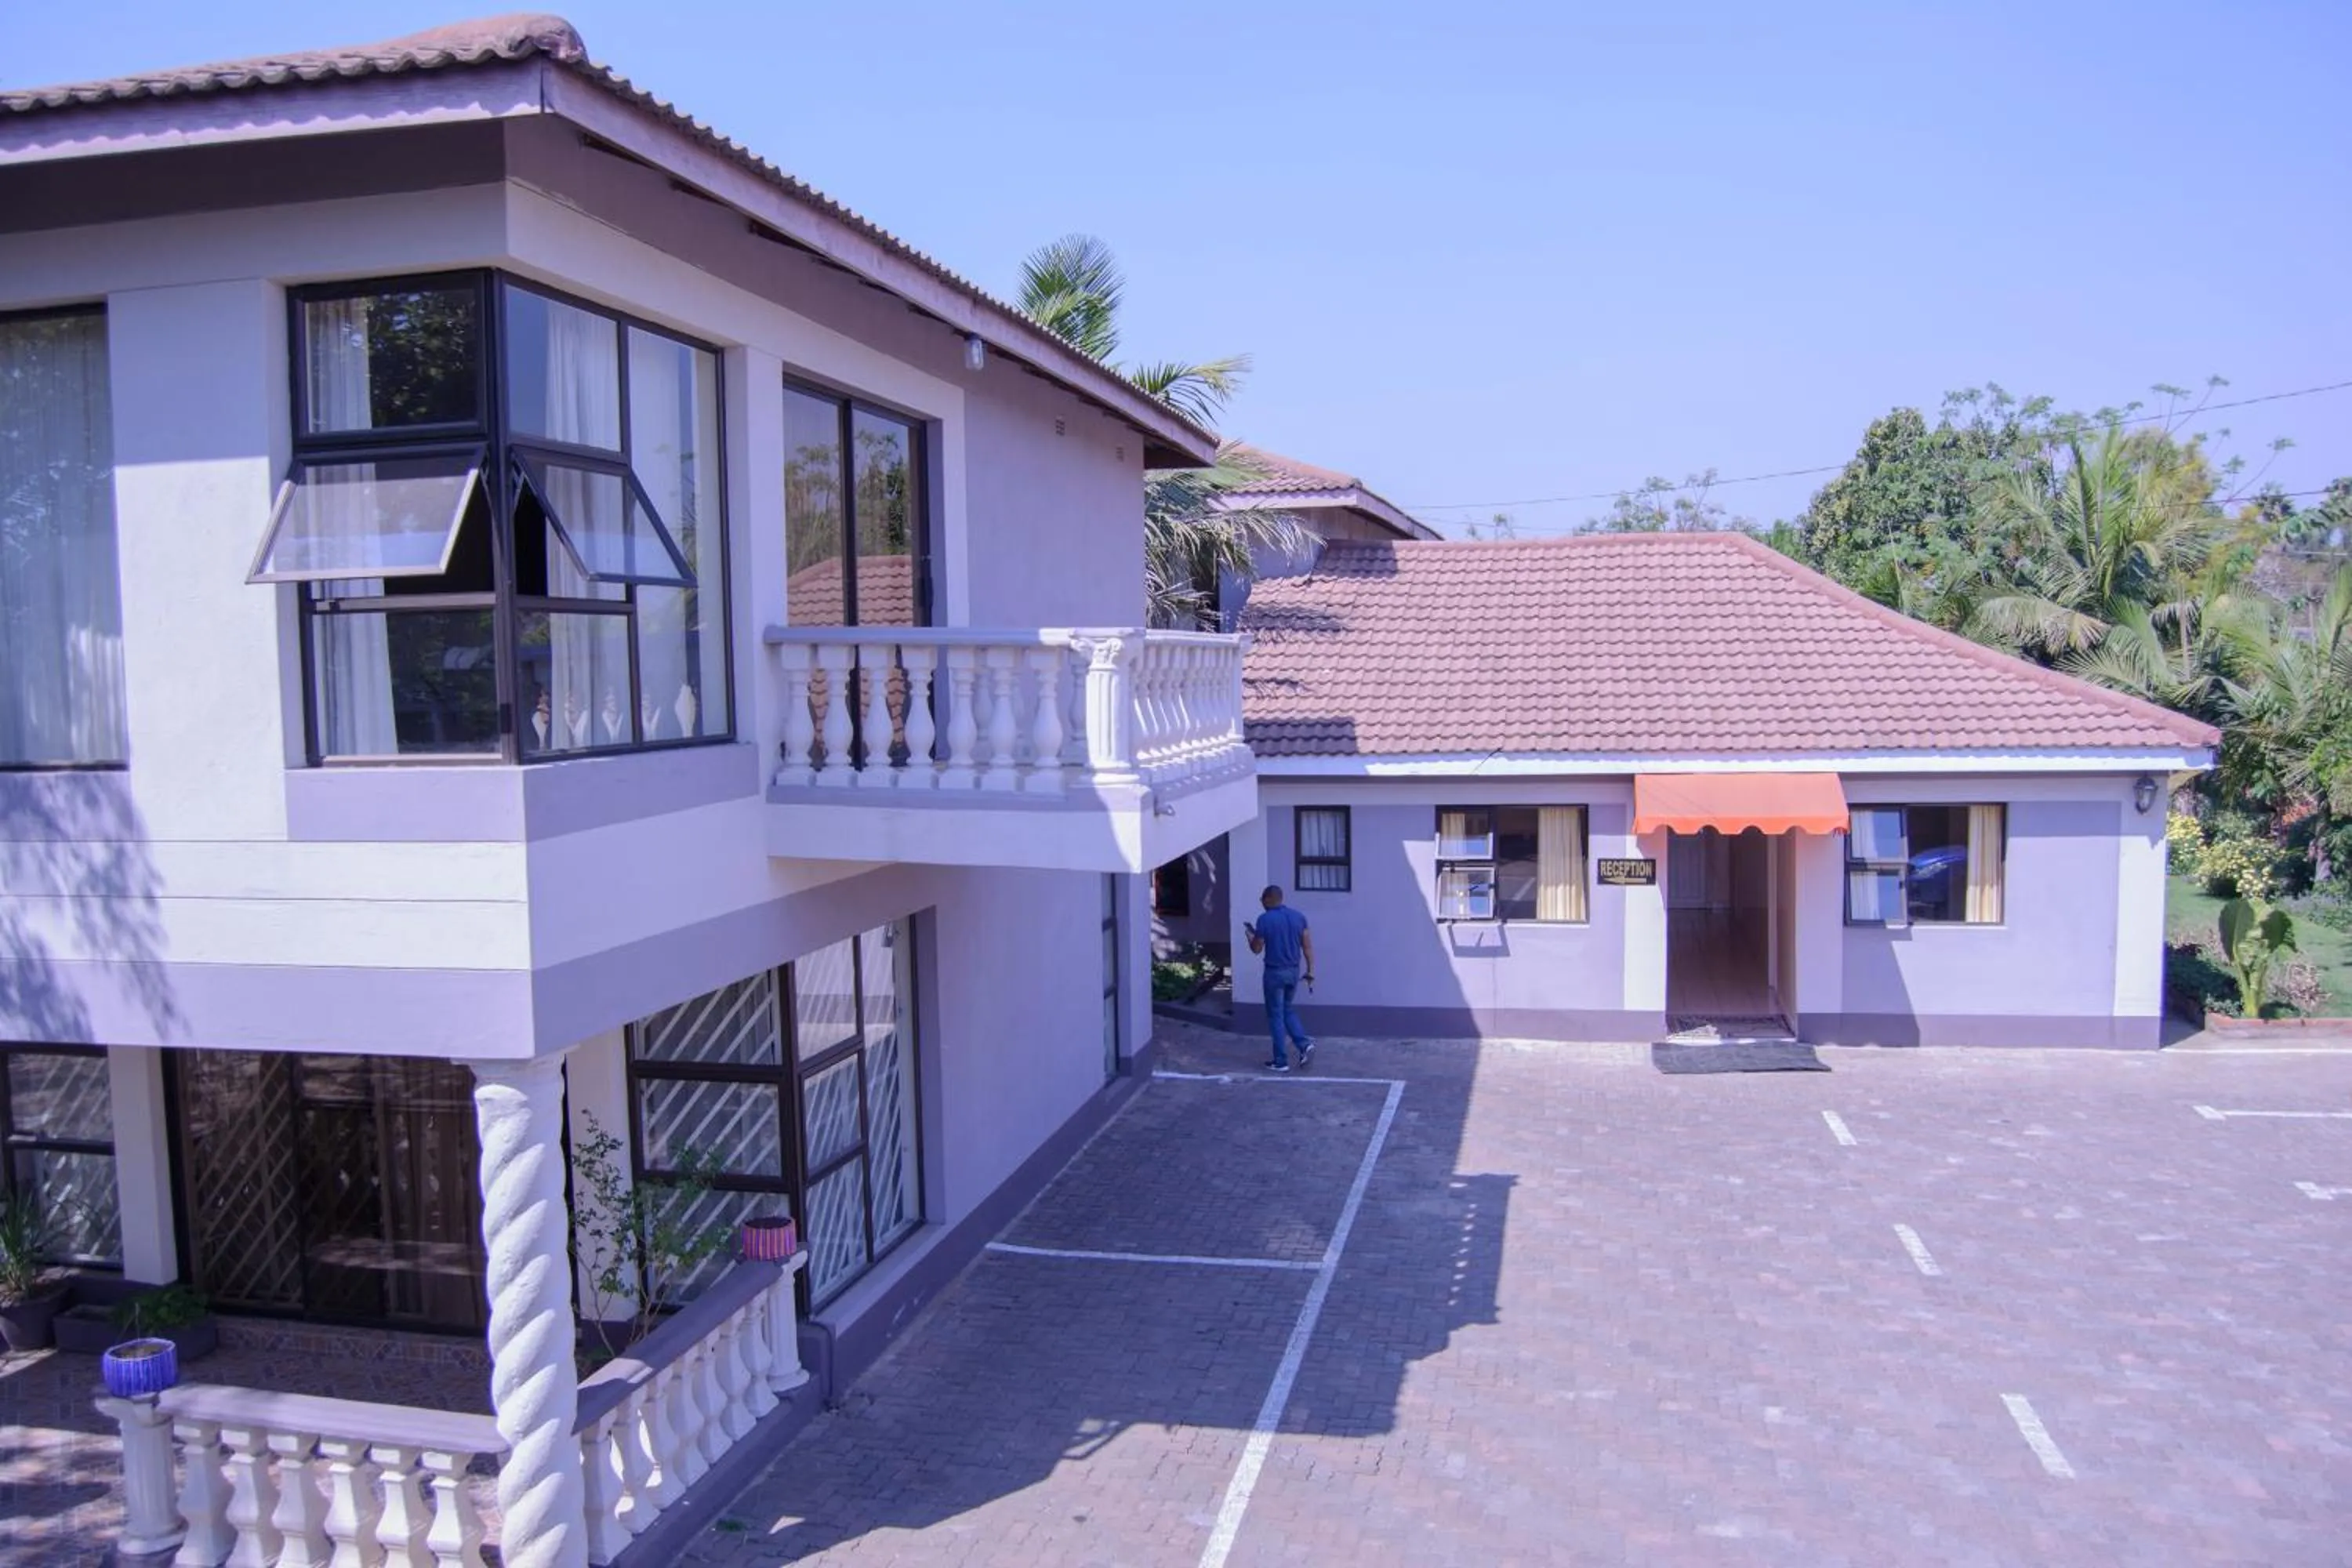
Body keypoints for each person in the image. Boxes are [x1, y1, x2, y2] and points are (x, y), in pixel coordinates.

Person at [1245, 884, 1316, 1073]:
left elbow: (1257, 949)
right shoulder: (1299, 917)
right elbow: (1307, 948)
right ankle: (1304, 1044)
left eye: (1262, 899)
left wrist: (1250, 936)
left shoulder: (1264, 920)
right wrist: (1311, 972)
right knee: (1287, 1009)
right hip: (1293, 972)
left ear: (1269, 899)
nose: (1261, 903)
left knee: (1275, 1015)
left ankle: (1281, 1061)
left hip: (1274, 973)